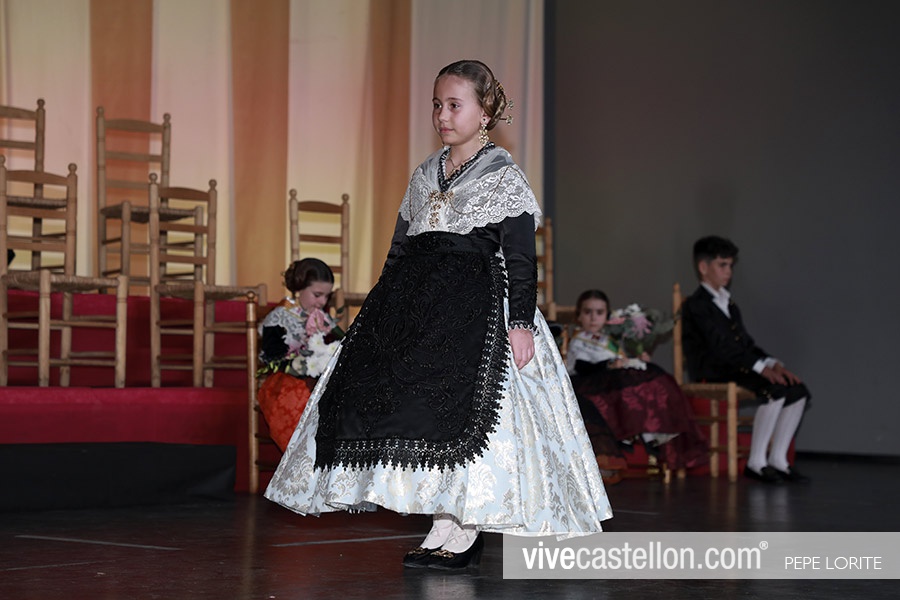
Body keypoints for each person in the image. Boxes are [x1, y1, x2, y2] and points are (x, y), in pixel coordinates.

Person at [264, 59, 611, 570]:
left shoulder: (503, 176)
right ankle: (441, 523)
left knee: (471, 418)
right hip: (419, 312)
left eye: (454, 105)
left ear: (484, 111)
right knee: (421, 418)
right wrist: (379, 315)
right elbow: (399, 251)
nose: (442, 115)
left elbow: (520, 258)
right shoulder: (425, 174)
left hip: (478, 312)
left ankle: (465, 527)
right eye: (436, 105)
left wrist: (519, 323)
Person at [680, 235, 811, 484]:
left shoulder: (729, 304)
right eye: (722, 265)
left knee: (798, 391)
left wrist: (772, 363)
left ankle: (779, 460)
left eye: (730, 265)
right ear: (703, 267)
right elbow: (720, 347)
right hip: (714, 369)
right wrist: (760, 369)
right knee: (774, 390)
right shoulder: (696, 306)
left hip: (736, 366)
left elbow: (746, 344)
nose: (728, 271)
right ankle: (756, 462)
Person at [566, 290, 709, 474]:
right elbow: (582, 366)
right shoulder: (578, 341)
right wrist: (610, 364)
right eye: (588, 312)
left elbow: (621, 358)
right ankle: (631, 434)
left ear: (607, 316)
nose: (593, 318)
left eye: (599, 312)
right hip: (589, 382)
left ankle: (655, 432)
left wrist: (636, 358)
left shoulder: (609, 340)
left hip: (612, 379)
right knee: (627, 385)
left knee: (651, 376)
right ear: (578, 316)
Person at [257, 258, 342, 451]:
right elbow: (271, 357)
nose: (322, 302)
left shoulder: (324, 319)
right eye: (317, 295)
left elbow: (341, 345)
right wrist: (298, 365)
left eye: (327, 296)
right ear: (299, 288)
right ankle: (305, 457)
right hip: (283, 381)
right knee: (303, 400)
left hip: (319, 379)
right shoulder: (279, 317)